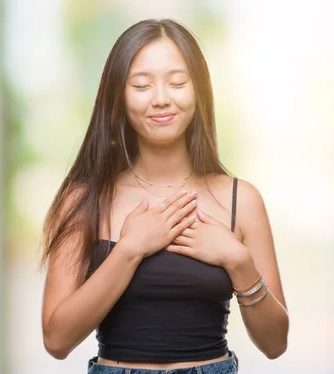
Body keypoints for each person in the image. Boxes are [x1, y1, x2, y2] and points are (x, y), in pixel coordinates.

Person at [39, 19, 289, 374]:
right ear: (118, 96)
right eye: (141, 85)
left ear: (199, 92)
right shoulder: (83, 201)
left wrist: (239, 261)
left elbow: (275, 344)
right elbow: (56, 340)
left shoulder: (241, 200)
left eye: (177, 83)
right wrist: (129, 249)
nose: (160, 99)